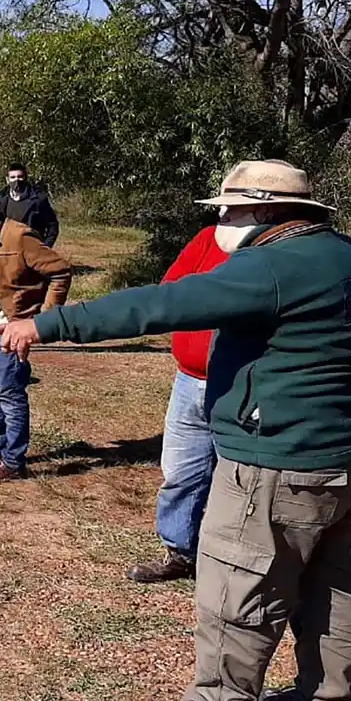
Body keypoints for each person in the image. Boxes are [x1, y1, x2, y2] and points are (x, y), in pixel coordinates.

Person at [0, 160, 351, 701]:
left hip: (275, 461)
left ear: (263, 211)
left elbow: (164, 304)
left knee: (235, 590)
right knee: (328, 585)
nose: (222, 220)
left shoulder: (271, 265)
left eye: (228, 209)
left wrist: (48, 324)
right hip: (349, 454)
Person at [127, 224, 230, 584]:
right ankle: (181, 552)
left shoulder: (276, 252)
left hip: (241, 384)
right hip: (189, 379)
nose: (225, 213)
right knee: (181, 471)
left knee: (242, 480)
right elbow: (170, 293)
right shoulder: (209, 238)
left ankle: (236, 560)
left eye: (234, 207)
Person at [0, 186, 72, 482]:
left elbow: (60, 271)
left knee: (10, 396)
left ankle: (13, 461)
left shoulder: (18, 236)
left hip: (9, 330)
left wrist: (43, 320)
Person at [0, 163, 60, 247]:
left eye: (20, 177)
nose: (16, 180)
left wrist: (46, 246)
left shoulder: (39, 199)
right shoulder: (0, 198)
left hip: (32, 246)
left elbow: (52, 225)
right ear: (7, 179)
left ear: (25, 178)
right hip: (7, 247)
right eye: (13, 177)